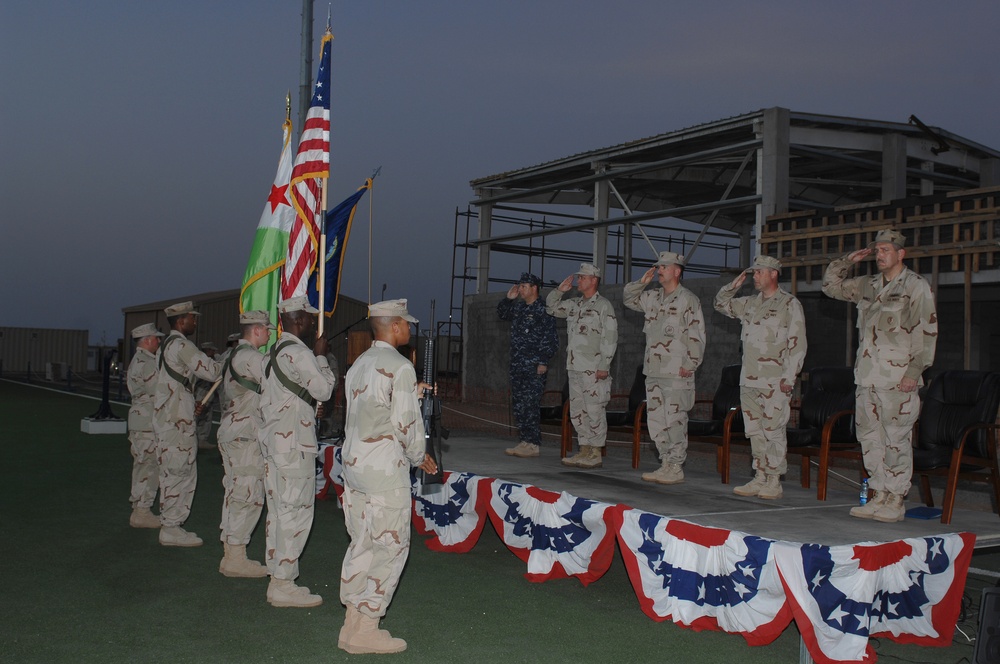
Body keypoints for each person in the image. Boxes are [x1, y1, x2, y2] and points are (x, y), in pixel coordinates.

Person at [338, 299, 438, 655]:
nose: (410, 329)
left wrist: (412, 393)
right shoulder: (400, 367)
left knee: (362, 541)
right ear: (394, 326)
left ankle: (351, 624)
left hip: (354, 466)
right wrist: (419, 456)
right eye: (406, 324)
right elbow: (406, 426)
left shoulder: (359, 363)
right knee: (390, 547)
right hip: (383, 472)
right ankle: (367, 627)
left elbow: (371, 407)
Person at [822, 229, 938, 523]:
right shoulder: (868, 284)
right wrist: (848, 260)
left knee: (896, 439)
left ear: (901, 254)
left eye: (886, 249)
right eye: (877, 250)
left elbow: (926, 332)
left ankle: (896, 498)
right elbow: (830, 286)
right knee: (870, 438)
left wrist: (914, 372)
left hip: (898, 378)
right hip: (867, 377)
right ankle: (878, 494)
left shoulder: (915, 286)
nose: (880, 255)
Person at [258, 295, 336, 607]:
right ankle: (283, 584)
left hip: (275, 444)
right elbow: (325, 390)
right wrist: (320, 357)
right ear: (300, 320)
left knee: (278, 511)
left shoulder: (271, 353)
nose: (313, 323)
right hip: (294, 447)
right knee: (295, 512)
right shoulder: (299, 353)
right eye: (310, 317)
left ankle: (277, 573)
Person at [714, 256, 806, 500]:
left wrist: (789, 377)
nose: (754, 277)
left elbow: (797, 344)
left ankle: (774, 480)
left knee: (773, 429)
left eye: (758, 273)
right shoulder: (750, 304)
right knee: (754, 431)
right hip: (750, 380)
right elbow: (720, 304)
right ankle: (760, 476)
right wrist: (733, 285)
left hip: (775, 381)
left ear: (773, 274)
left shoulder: (789, 304)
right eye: (753, 273)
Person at [623, 251, 705, 485]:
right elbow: (628, 299)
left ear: (677, 271)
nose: (659, 270)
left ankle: (676, 466)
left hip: (677, 371)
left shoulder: (688, 299)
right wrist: (641, 283)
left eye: (664, 267)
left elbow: (697, 334)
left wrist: (690, 364)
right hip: (654, 370)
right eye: (658, 267)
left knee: (675, 420)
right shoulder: (652, 297)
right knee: (657, 420)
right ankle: (665, 463)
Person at [153, 301, 221, 546]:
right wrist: (234, 357)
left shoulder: (165, 346)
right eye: (193, 318)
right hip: (176, 423)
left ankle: (173, 525)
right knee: (178, 472)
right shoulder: (182, 344)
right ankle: (170, 527)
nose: (195, 322)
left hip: (172, 417)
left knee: (177, 471)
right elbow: (212, 371)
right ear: (182, 321)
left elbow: (176, 383)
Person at [216, 310, 275, 578]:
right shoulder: (250, 357)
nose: (270, 333)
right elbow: (276, 380)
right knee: (247, 496)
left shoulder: (233, 355)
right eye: (267, 329)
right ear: (257, 330)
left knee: (237, 493)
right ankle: (235, 557)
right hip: (245, 434)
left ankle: (232, 554)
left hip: (236, 430)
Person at [546, 262, 618, 469]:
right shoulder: (574, 304)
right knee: (578, 411)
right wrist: (559, 291)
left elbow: (610, 337)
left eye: (582, 277)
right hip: (575, 367)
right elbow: (551, 308)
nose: (578, 280)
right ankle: (584, 449)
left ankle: (595, 452)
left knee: (594, 409)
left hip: (594, 368)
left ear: (594, 280)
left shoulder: (604, 306)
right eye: (579, 277)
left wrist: (605, 365)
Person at [497, 272, 559, 458]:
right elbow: (502, 313)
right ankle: (524, 440)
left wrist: (543, 361)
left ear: (534, 288)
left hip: (534, 366)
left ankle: (533, 444)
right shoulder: (520, 308)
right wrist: (508, 299)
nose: (520, 289)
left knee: (530, 404)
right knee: (519, 404)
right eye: (520, 286)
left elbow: (551, 338)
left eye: (524, 286)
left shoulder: (543, 309)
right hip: (518, 364)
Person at [125, 322, 165, 529]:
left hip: (142, 422)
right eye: (156, 338)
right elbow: (159, 392)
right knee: (148, 466)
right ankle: (142, 511)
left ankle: (140, 510)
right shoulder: (146, 362)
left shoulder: (138, 360)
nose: (159, 341)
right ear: (148, 340)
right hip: (147, 423)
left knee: (145, 465)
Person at [194, 341, 220, 450]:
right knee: (197, 415)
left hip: (208, 392)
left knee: (207, 416)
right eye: (212, 350)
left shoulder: (211, 361)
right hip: (200, 392)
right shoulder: (199, 361)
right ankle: (196, 439)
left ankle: (202, 439)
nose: (213, 352)